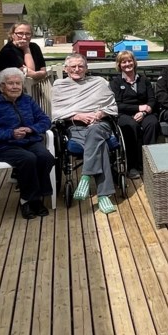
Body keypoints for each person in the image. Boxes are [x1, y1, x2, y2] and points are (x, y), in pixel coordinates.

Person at [0, 67, 54, 219]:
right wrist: (10, 133)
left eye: (18, 83)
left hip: (29, 141)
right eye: (10, 83)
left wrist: (31, 129)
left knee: (46, 157)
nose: (15, 86)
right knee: (28, 159)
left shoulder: (27, 100)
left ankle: (34, 197)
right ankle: (28, 201)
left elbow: (45, 120)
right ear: (1, 86)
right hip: (4, 145)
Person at [52, 53, 120, 214]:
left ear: (86, 68)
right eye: (73, 66)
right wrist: (78, 115)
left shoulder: (99, 82)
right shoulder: (60, 85)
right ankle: (104, 196)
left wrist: (100, 114)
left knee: (95, 130)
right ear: (66, 69)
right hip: (75, 127)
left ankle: (85, 177)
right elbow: (57, 112)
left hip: (100, 124)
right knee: (100, 145)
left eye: (81, 66)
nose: (77, 69)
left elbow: (111, 106)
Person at [110, 50, 159, 179]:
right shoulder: (115, 82)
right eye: (124, 62)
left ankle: (148, 163)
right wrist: (137, 107)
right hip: (123, 114)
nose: (127, 64)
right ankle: (132, 166)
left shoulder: (143, 79)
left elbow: (152, 100)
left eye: (129, 61)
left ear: (134, 62)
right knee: (131, 127)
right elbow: (117, 104)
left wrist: (143, 111)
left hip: (144, 113)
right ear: (119, 65)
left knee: (152, 123)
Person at [0, 23, 48, 97]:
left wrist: (35, 73)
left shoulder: (35, 47)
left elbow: (43, 70)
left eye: (28, 34)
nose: (24, 37)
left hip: (28, 94)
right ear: (12, 35)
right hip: (4, 95)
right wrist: (26, 49)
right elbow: (31, 72)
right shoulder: (8, 51)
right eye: (20, 33)